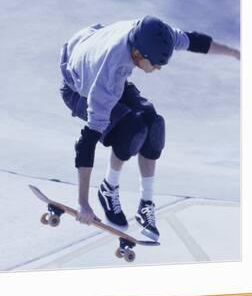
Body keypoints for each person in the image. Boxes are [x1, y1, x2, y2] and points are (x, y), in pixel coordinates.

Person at [59, 16, 240, 241]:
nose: (158, 69)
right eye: (155, 64)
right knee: (131, 130)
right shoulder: (107, 77)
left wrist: (235, 53)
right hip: (77, 88)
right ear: (137, 55)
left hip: (94, 56)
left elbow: (196, 42)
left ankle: (146, 203)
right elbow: (86, 143)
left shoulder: (157, 34)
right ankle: (108, 189)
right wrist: (83, 203)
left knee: (154, 125)